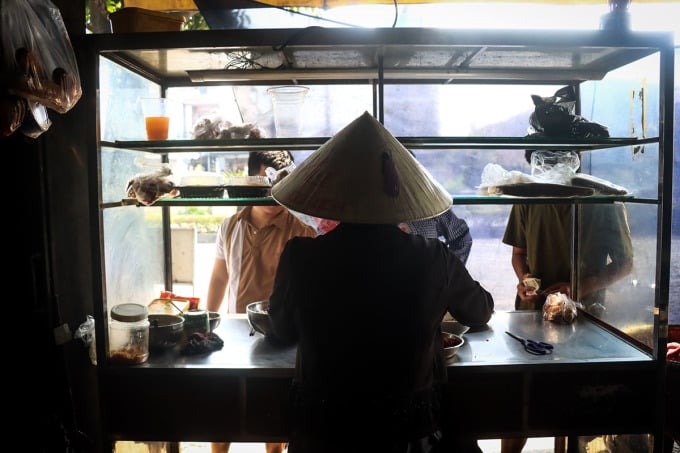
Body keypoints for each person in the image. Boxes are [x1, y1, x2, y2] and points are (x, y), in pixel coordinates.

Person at [266, 111, 495, 453]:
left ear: (337, 194)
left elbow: (280, 330)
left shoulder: (300, 257)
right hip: (408, 435)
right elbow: (480, 312)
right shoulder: (434, 258)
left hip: (321, 433)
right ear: (400, 194)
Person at [499, 149, 634, 453]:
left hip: (585, 318)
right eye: (544, 161)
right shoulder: (527, 197)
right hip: (531, 316)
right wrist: (524, 281)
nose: (549, 167)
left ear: (575, 160)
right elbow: (519, 254)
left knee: (575, 402)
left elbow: (625, 264)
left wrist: (578, 288)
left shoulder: (603, 198)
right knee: (520, 401)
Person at [206, 150, 317, 453]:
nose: (274, 195)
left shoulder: (302, 232)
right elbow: (219, 277)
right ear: (250, 182)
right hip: (234, 331)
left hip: (279, 336)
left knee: (274, 412)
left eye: (280, 186)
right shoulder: (230, 225)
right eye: (266, 186)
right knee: (225, 409)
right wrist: (209, 321)